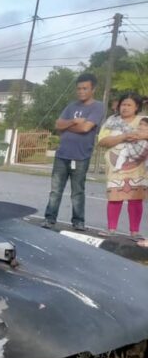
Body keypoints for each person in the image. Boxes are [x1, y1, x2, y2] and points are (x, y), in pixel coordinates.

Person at [42, 73, 105, 230]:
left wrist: (67, 126)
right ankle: (49, 219)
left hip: (81, 157)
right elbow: (57, 124)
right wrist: (73, 121)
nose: (81, 91)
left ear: (93, 89)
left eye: (85, 88)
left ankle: (78, 221)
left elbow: (86, 128)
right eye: (79, 89)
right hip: (62, 155)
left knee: (77, 191)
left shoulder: (98, 106)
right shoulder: (71, 106)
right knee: (55, 190)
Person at [97, 93, 148, 237]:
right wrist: (123, 136)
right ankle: (111, 229)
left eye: (129, 105)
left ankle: (135, 232)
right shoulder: (112, 121)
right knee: (114, 197)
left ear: (136, 107)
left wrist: (139, 135)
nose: (125, 108)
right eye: (123, 104)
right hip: (115, 168)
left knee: (136, 199)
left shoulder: (143, 120)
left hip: (138, 168)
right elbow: (102, 141)